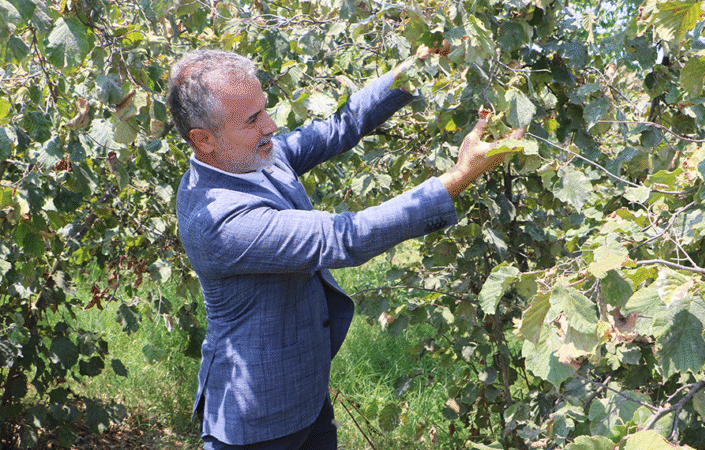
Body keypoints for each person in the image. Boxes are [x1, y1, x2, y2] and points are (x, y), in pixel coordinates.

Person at [168, 47, 511, 450]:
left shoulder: (252, 155)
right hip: (255, 420)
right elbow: (346, 237)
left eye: (264, 109)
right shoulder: (216, 220)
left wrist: (416, 68)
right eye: (252, 119)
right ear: (203, 139)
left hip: (305, 397)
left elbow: (340, 126)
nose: (271, 125)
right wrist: (459, 176)